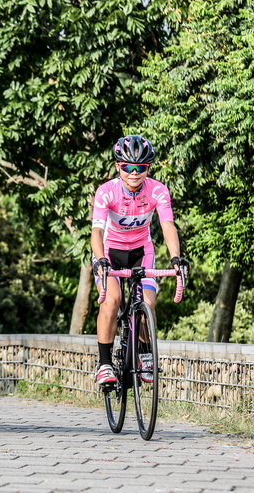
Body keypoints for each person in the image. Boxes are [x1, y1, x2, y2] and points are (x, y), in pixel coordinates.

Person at [91, 134, 189, 386]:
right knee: (112, 301)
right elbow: (97, 232)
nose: (134, 173)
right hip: (110, 252)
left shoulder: (158, 190)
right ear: (118, 167)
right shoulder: (106, 191)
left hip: (141, 251)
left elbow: (168, 225)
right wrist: (100, 259)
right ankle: (104, 363)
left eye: (140, 168)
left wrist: (176, 258)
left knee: (147, 304)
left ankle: (145, 354)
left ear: (148, 168)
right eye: (128, 167)